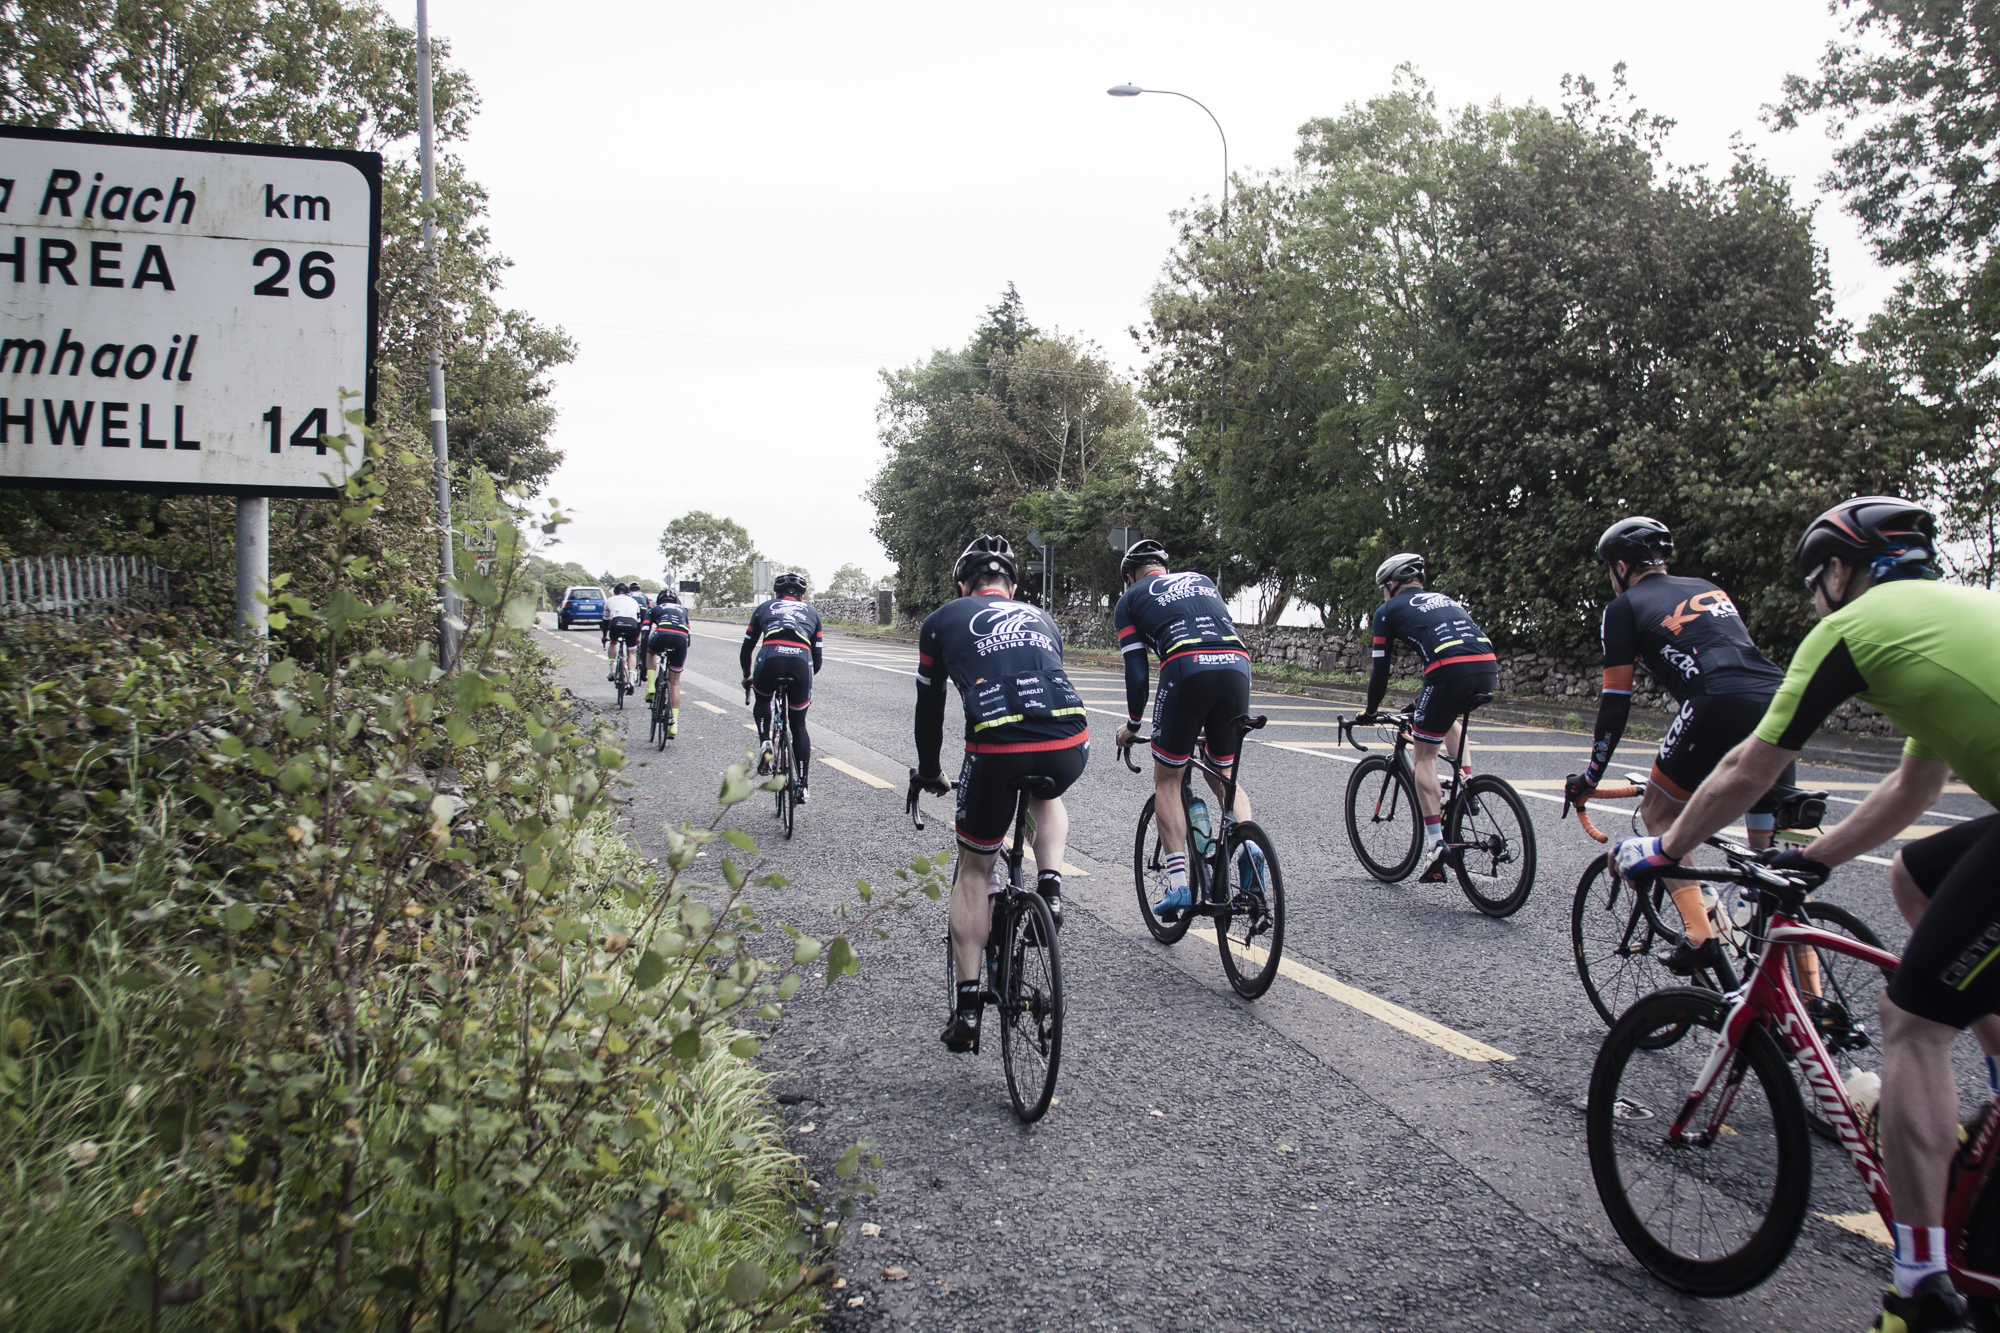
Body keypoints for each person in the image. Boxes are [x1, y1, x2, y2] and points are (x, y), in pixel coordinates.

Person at [1612, 496, 2000, 1333]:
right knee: (1913, 875)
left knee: (1914, 1019)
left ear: (1840, 570)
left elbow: (1750, 767)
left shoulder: (1855, 628)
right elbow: (1915, 788)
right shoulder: (1946, 617)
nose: (1814, 599)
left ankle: (1920, 1285)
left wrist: (1665, 845)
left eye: (1815, 582)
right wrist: (1814, 858)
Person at [1564, 517, 1795, 975]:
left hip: (1713, 700)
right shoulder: (1708, 587)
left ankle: (1700, 933)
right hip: (1780, 697)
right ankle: (1804, 991)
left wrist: (1591, 776)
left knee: (1658, 813)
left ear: (1622, 565)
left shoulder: (1623, 608)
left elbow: (1615, 703)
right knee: (1771, 865)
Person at [914, 535, 1089, 1053]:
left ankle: (968, 1009)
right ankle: (1051, 888)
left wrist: (929, 771)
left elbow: (929, 710)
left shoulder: (943, 619)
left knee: (975, 867)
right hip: (1068, 740)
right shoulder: (1043, 619)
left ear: (964, 585)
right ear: (1012, 586)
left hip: (994, 748)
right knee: (1047, 796)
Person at [1108, 540, 1261, 919]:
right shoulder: (1203, 581)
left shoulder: (1129, 600)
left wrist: (1132, 725)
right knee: (1223, 773)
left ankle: (1178, 885)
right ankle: (1248, 845)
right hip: (1237, 664)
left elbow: (1137, 671)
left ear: (1130, 577)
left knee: (1168, 779)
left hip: (1186, 664)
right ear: (1164, 567)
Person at [1357, 553, 1497, 882]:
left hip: (1448, 672)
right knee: (1447, 720)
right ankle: (1465, 788)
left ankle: (1436, 844)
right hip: (1487, 666)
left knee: (1424, 755)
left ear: (1391, 585)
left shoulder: (1387, 611)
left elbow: (1381, 671)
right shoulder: (1446, 600)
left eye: (1383, 589)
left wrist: (1371, 711)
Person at [740, 572, 822, 801]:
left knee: (763, 699)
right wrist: (804, 679)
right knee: (798, 724)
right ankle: (803, 785)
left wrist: (748, 676)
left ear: (776, 593)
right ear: (802, 595)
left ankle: (766, 743)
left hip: (769, 657)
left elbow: (746, 649)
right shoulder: (812, 612)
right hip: (800, 662)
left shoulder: (764, 607)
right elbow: (818, 659)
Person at [641, 591, 690, 737]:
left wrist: (643, 664)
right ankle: (673, 725)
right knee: (674, 683)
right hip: (681, 638)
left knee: (650, 651)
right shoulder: (683, 610)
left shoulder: (654, 610)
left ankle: (651, 687)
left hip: (662, 633)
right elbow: (689, 640)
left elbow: (644, 635)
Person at [602, 582, 642, 685]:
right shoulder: (634, 601)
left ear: (615, 593)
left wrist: (604, 636)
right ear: (628, 593)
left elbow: (605, 621)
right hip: (631, 625)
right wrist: (637, 637)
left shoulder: (609, 600)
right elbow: (638, 623)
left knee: (613, 643)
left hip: (616, 623)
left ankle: (611, 671)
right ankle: (631, 679)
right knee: (631, 652)